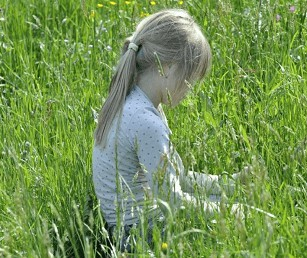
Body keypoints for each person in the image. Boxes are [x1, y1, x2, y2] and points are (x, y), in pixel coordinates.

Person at [92, 9, 239, 254]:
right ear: (168, 68)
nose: (190, 89)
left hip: (127, 228)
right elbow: (172, 202)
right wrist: (231, 211)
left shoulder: (135, 101)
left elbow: (177, 178)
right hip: (141, 236)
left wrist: (228, 185)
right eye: (190, 78)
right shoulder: (146, 121)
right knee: (241, 219)